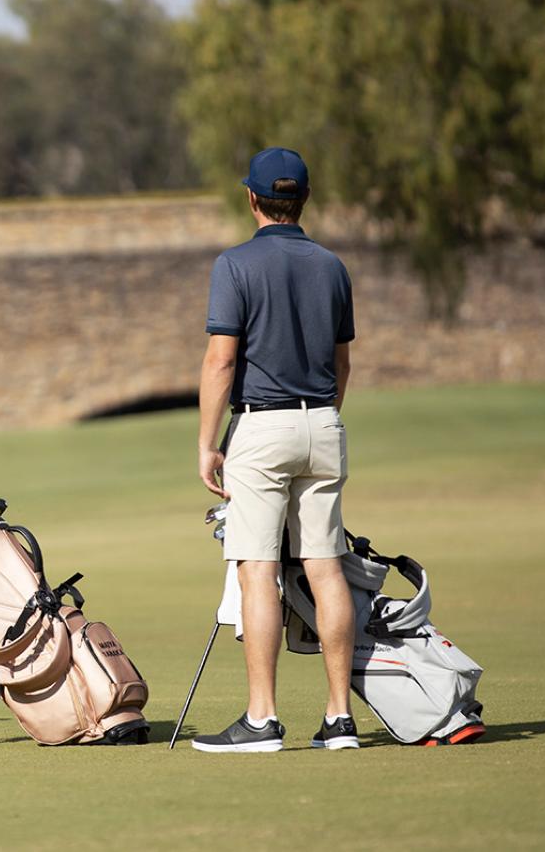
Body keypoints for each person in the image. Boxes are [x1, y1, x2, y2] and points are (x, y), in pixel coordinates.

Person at [193, 147, 357, 753]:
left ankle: (262, 720)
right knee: (323, 564)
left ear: (252, 198)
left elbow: (222, 359)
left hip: (261, 429)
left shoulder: (234, 264)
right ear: (305, 199)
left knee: (257, 568)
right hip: (324, 424)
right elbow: (342, 362)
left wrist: (208, 444)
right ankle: (339, 720)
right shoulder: (333, 266)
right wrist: (323, 419)